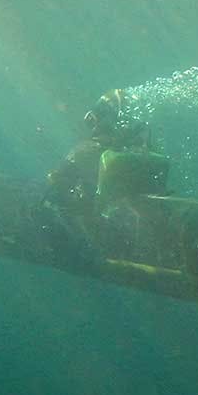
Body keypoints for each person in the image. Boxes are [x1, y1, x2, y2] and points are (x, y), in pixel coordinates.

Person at [39, 88, 152, 264]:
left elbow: (55, 190)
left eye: (92, 121)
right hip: (136, 233)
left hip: (103, 240)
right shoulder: (142, 157)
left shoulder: (85, 152)